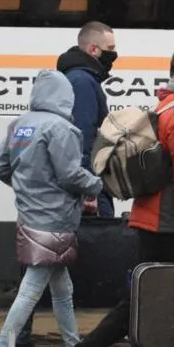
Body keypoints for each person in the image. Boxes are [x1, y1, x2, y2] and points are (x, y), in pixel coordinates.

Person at [52, 36, 174, 347]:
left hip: (157, 217)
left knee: (168, 296)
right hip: (170, 223)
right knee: (170, 298)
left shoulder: (168, 104)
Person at [0, 70, 103, 347]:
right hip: (56, 218)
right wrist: (97, 185)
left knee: (63, 289)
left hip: (29, 216)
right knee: (31, 289)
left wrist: (28, 188)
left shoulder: (20, 125)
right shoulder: (61, 128)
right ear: (65, 97)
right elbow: (70, 175)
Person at [56, 21, 116, 216]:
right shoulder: (83, 82)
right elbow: (83, 139)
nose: (114, 55)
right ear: (93, 49)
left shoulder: (78, 78)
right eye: (110, 49)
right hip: (89, 184)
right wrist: (89, 191)